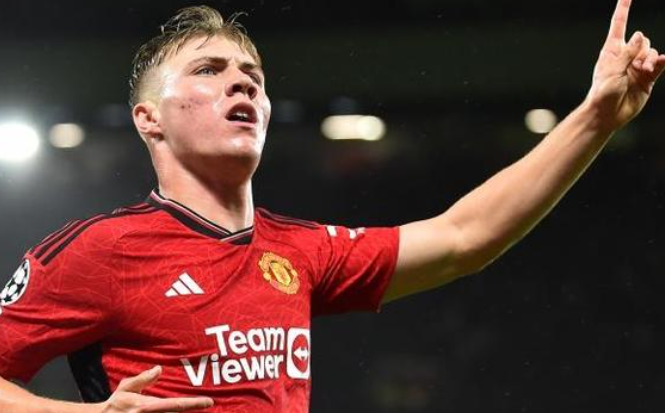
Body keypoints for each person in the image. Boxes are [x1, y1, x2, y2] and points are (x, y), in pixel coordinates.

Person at [0, 0, 663, 412]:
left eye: (252, 77)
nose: (241, 83)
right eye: (208, 71)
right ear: (149, 119)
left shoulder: (300, 250)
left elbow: (466, 236)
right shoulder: (100, 251)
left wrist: (595, 118)